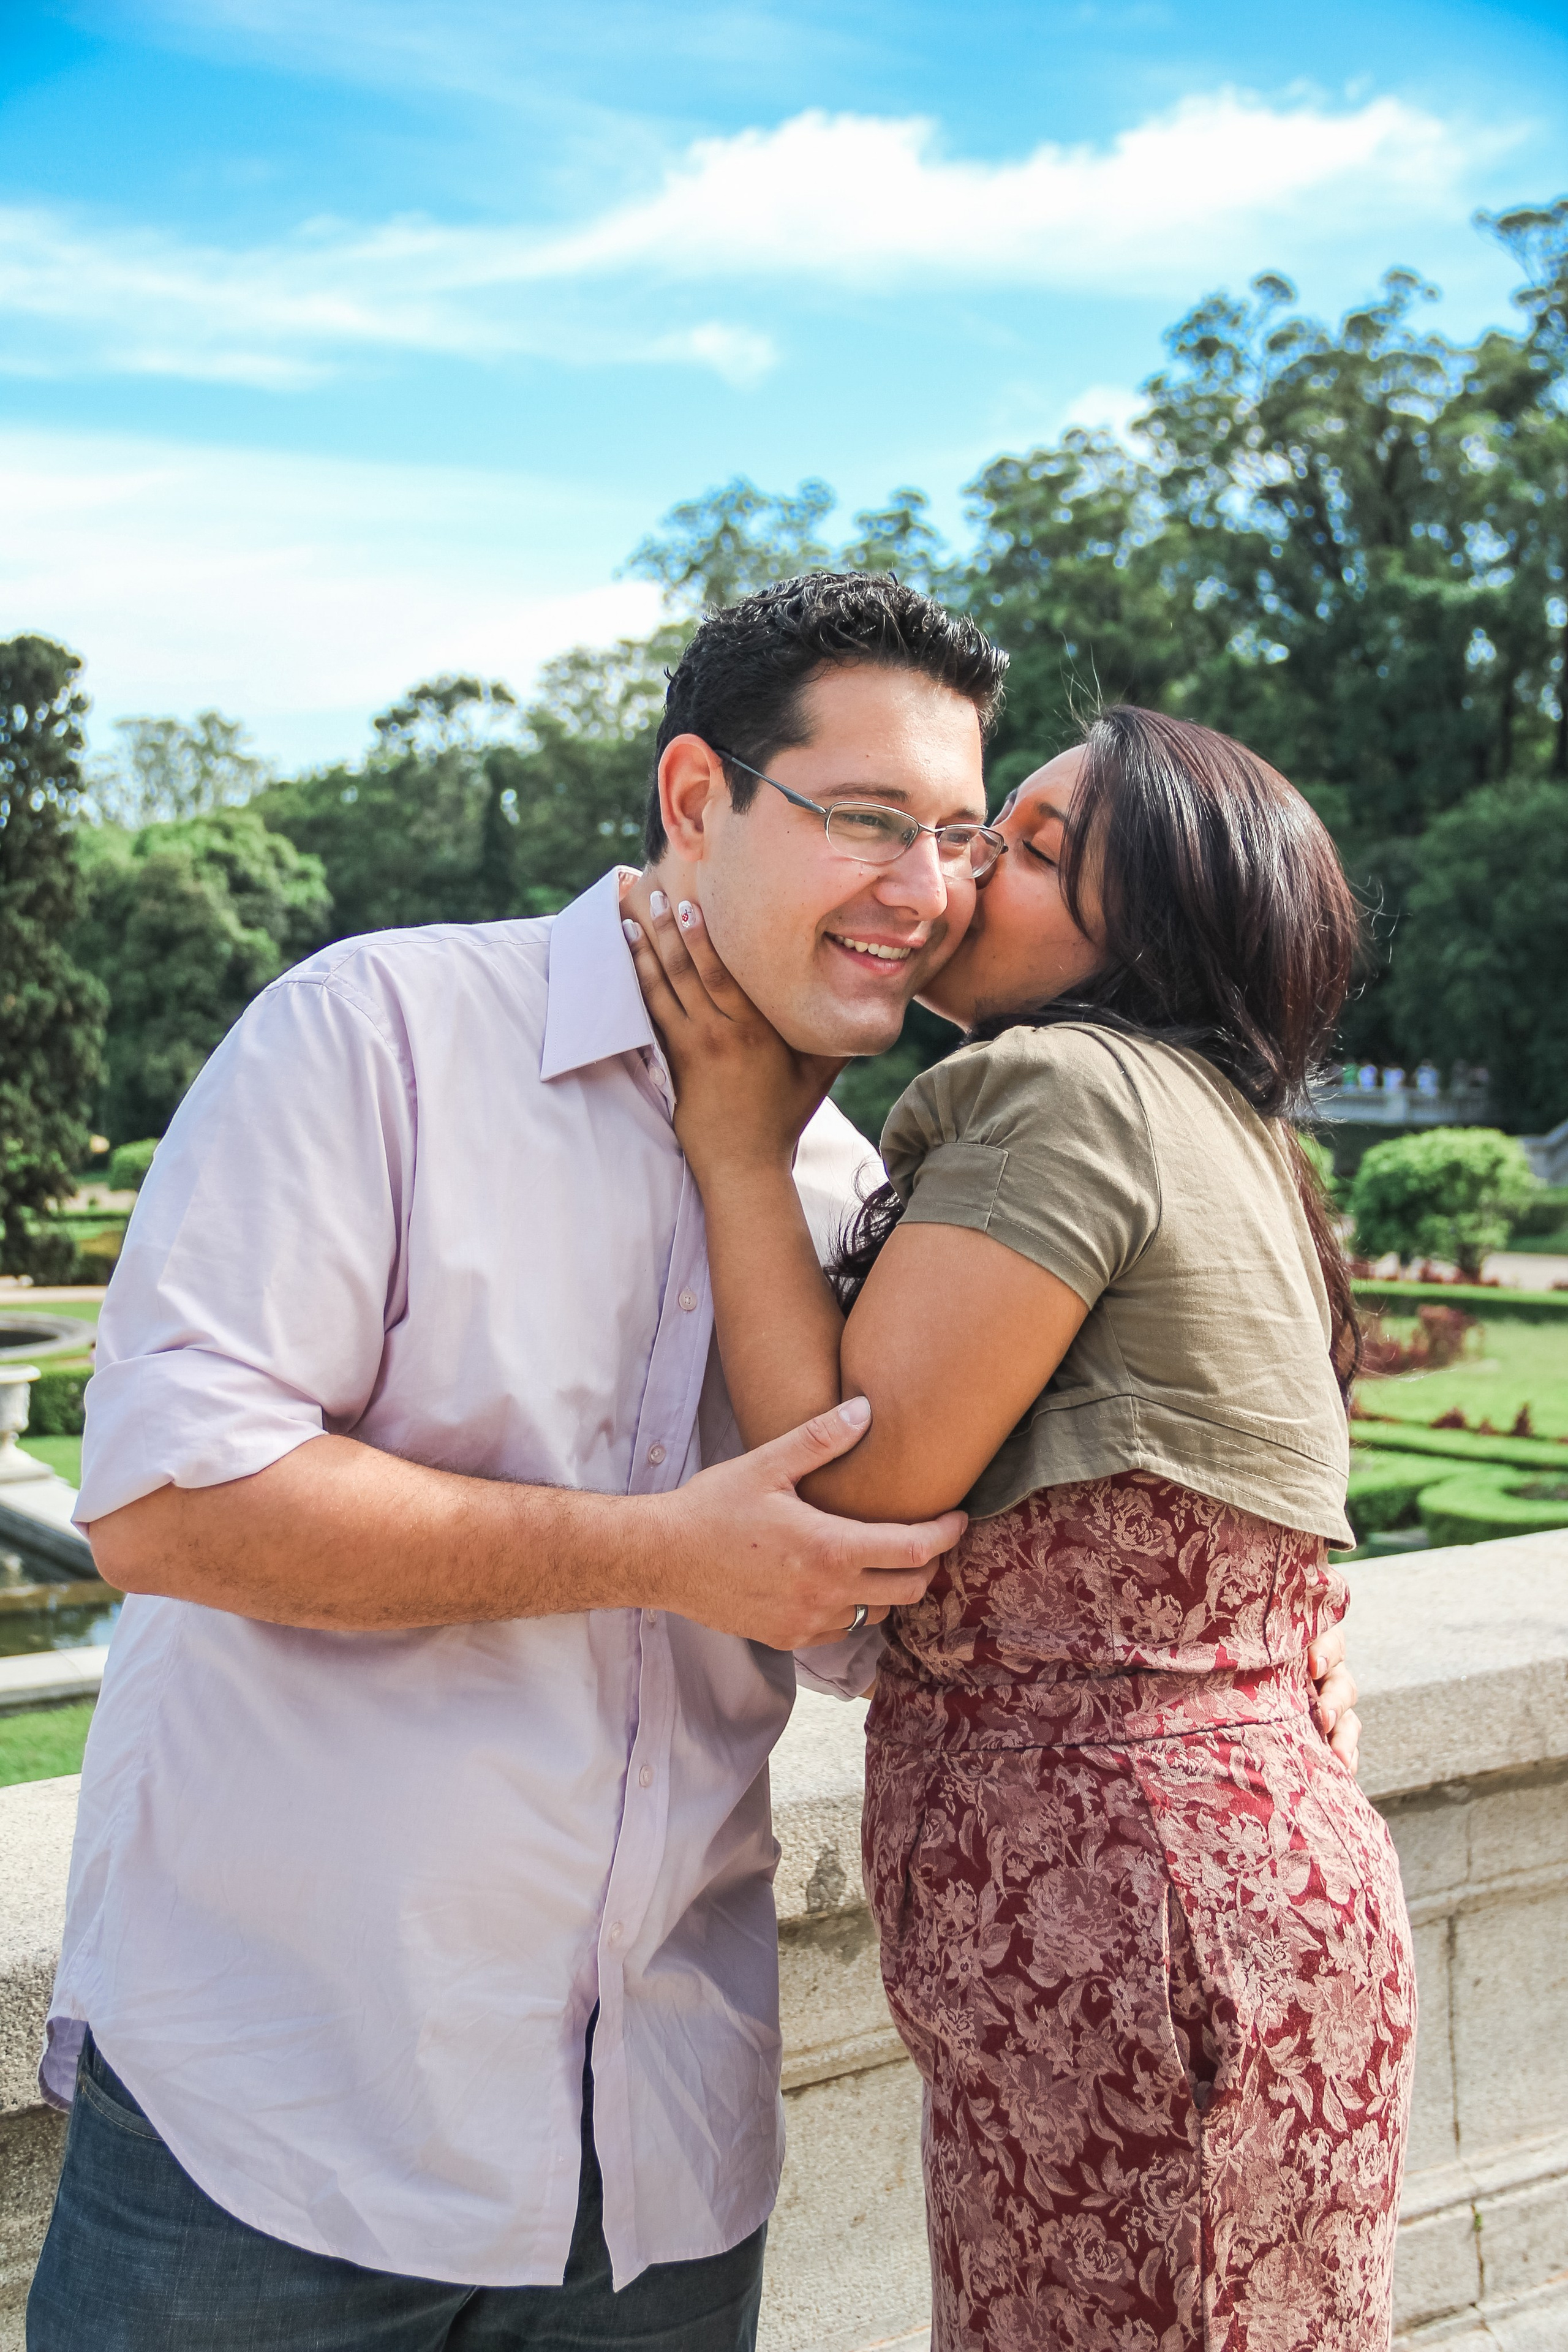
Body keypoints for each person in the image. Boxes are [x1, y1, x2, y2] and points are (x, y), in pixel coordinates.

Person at [29, 579, 1359, 2351]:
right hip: (283, 2133)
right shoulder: (382, 1036)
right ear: (693, 799)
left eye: (966, 838)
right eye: (872, 821)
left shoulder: (847, 1199)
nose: (928, 889)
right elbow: (168, 1501)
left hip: (656, 2175)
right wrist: (657, 1550)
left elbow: (862, 1607)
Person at [625, 703, 1411, 2350]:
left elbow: (852, 1486)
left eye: (1033, 853)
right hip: (1233, 1897)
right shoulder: (1234, 1125)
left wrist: (732, 1132)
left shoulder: (1061, 1087)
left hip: (1124, 1920)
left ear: (1160, 935)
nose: (963, 877)